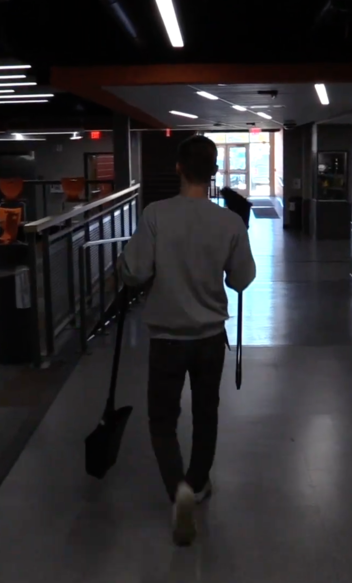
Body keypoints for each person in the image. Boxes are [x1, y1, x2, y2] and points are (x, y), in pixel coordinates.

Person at [119, 135, 256, 546]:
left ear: (178, 167)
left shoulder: (156, 215)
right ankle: (197, 484)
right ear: (214, 172)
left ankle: (177, 487)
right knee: (206, 412)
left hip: (166, 338)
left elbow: (134, 272)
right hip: (209, 338)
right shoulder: (229, 222)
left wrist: (125, 263)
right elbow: (242, 278)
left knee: (162, 419)